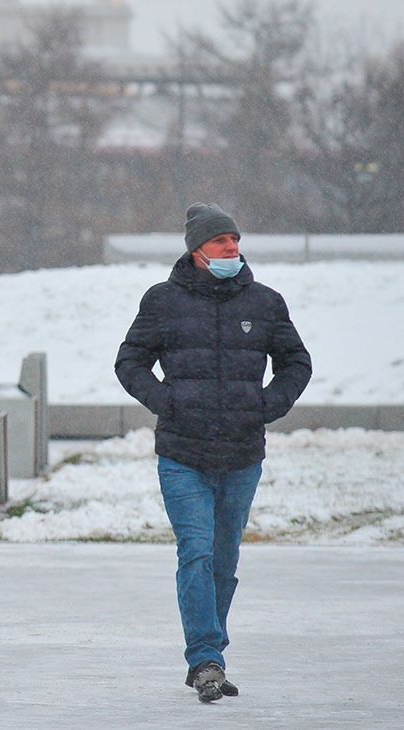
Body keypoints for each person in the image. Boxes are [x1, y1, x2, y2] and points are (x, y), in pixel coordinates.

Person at [114, 203, 312, 703]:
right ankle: (206, 659)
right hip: (183, 453)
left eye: (235, 239)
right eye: (222, 240)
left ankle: (209, 652)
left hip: (243, 454)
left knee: (223, 562)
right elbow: (130, 360)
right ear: (197, 249)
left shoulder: (266, 303)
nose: (232, 247)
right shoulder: (162, 301)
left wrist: (267, 406)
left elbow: (297, 362)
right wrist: (167, 401)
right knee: (196, 552)